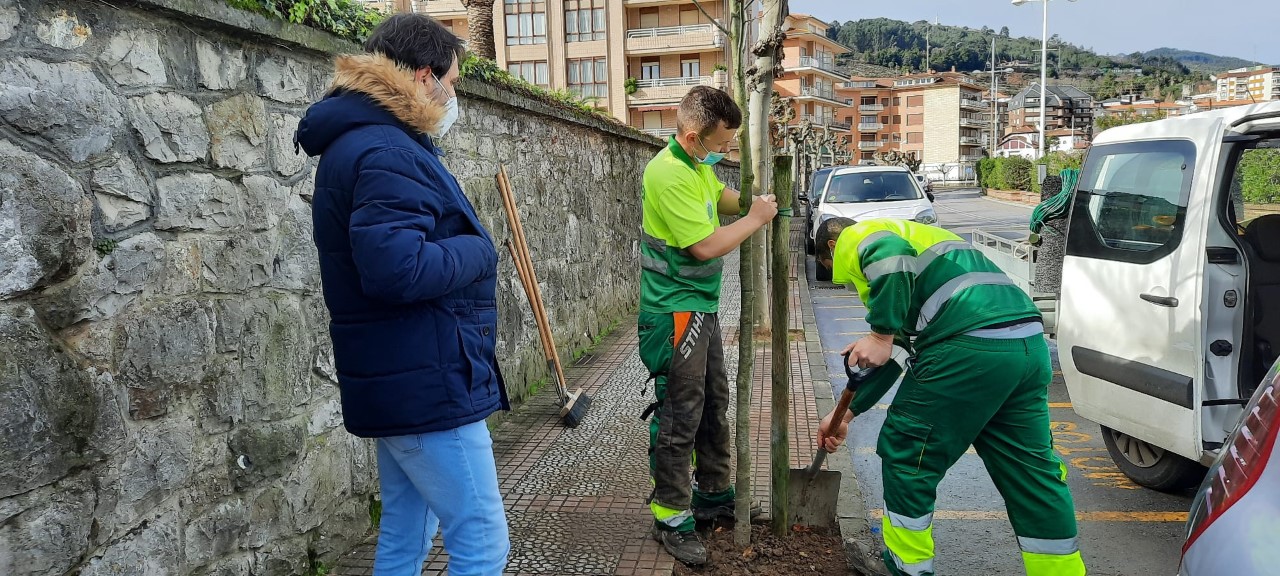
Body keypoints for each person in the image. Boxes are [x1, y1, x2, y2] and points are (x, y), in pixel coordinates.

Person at [295, 13, 509, 576]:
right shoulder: (387, 150)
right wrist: (479, 250)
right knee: (482, 540)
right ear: (422, 76)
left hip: (403, 377)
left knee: (407, 531)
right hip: (427, 382)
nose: (452, 95)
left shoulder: (366, 141)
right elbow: (397, 271)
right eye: (453, 82)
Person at [813, 217, 1086, 576]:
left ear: (832, 249)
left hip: (967, 346)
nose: (849, 282)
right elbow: (898, 350)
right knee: (1032, 473)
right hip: (1026, 348)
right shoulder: (927, 242)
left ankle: (907, 569)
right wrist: (846, 413)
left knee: (909, 452)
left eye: (836, 273)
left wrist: (878, 334)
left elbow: (889, 256)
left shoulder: (855, 235)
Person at [637, 85, 778, 566]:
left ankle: (714, 493)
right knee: (681, 412)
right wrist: (757, 219)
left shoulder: (697, 165)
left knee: (714, 400)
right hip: (673, 311)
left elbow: (724, 200)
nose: (723, 153)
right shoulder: (668, 173)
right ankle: (670, 516)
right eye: (720, 144)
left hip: (699, 305)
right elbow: (704, 247)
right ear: (694, 135)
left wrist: (751, 203)